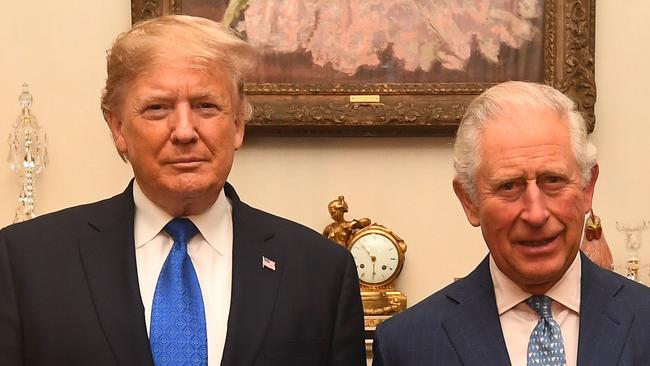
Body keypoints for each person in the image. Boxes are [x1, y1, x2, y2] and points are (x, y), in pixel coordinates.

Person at [0, 15, 365, 366]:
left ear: (237, 124)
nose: (185, 131)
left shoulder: (320, 272)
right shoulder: (26, 264)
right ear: (118, 128)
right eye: (158, 109)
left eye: (206, 106)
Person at [372, 81, 650, 365]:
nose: (535, 214)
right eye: (509, 186)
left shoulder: (644, 321)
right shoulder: (407, 346)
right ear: (469, 201)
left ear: (587, 188)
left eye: (553, 180)